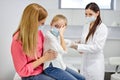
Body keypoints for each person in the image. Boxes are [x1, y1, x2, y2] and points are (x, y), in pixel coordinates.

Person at [11, 3, 57, 80]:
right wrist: (44, 59)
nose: (43, 26)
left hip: (43, 69)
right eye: (42, 23)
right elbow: (22, 71)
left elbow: (44, 51)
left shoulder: (39, 33)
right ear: (33, 22)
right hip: (30, 75)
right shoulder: (18, 40)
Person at [71, 2, 108, 80]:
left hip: (95, 64)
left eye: (90, 14)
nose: (87, 16)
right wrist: (77, 43)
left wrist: (79, 46)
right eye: (86, 14)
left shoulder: (102, 28)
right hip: (85, 61)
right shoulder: (86, 25)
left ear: (97, 13)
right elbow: (85, 41)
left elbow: (97, 47)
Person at [43, 14, 85, 80]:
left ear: (65, 27)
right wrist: (62, 34)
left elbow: (66, 42)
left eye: (61, 27)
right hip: (51, 67)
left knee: (82, 78)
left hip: (60, 66)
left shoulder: (57, 36)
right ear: (51, 24)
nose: (59, 29)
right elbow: (63, 50)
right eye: (56, 26)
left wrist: (75, 43)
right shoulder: (49, 36)